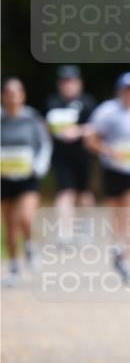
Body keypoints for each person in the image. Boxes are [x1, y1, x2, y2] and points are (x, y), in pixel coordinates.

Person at [86, 73, 130, 284]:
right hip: (113, 169)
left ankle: (128, 261)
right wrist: (108, 151)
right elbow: (92, 139)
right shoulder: (106, 112)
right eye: (126, 90)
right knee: (118, 214)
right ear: (119, 92)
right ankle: (117, 246)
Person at [1, 78, 52, 285]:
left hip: (28, 177)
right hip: (4, 178)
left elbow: (44, 144)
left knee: (26, 217)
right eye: (8, 92)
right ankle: (14, 266)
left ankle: (30, 245)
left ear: (23, 95)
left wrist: (38, 166)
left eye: (17, 92)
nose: (13, 96)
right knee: (9, 225)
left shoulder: (32, 119)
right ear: (3, 96)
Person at [43, 64, 97, 241]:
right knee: (65, 192)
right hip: (61, 155)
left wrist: (78, 131)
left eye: (71, 81)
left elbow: (96, 126)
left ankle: (84, 227)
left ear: (79, 83)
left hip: (83, 154)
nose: (68, 85)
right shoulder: (52, 102)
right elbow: (45, 126)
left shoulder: (87, 103)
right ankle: (65, 231)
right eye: (65, 82)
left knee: (84, 193)